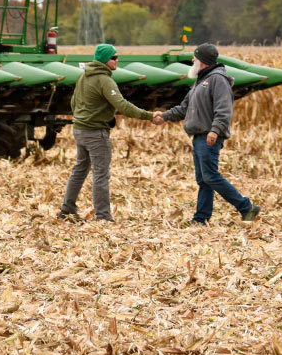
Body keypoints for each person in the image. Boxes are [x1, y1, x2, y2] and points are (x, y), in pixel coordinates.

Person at [154, 43, 260, 225]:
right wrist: (163, 116)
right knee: (203, 179)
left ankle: (246, 207)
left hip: (209, 136)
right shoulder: (200, 81)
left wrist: (215, 130)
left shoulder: (218, 79)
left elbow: (224, 109)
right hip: (198, 136)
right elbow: (183, 108)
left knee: (210, 176)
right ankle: (201, 218)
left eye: (195, 57)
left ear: (202, 61)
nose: (192, 60)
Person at [59, 44, 156, 222]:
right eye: (114, 57)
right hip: (96, 133)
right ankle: (103, 216)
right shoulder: (104, 80)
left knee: (80, 170)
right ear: (105, 60)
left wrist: (82, 118)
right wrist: (148, 116)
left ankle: (66, 210)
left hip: (79, 130)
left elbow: (74, 102)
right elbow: (123, 106)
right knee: (101, 174)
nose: (117, 60)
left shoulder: (83, 76)